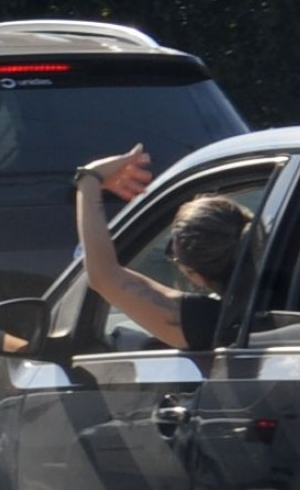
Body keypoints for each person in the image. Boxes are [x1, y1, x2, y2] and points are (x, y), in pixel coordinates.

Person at [72, 143, 253, 351]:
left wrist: (89, 179)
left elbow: (103, 276)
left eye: (174, 255)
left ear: (195, 276)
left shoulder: (208, 323)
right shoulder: (282, 288)